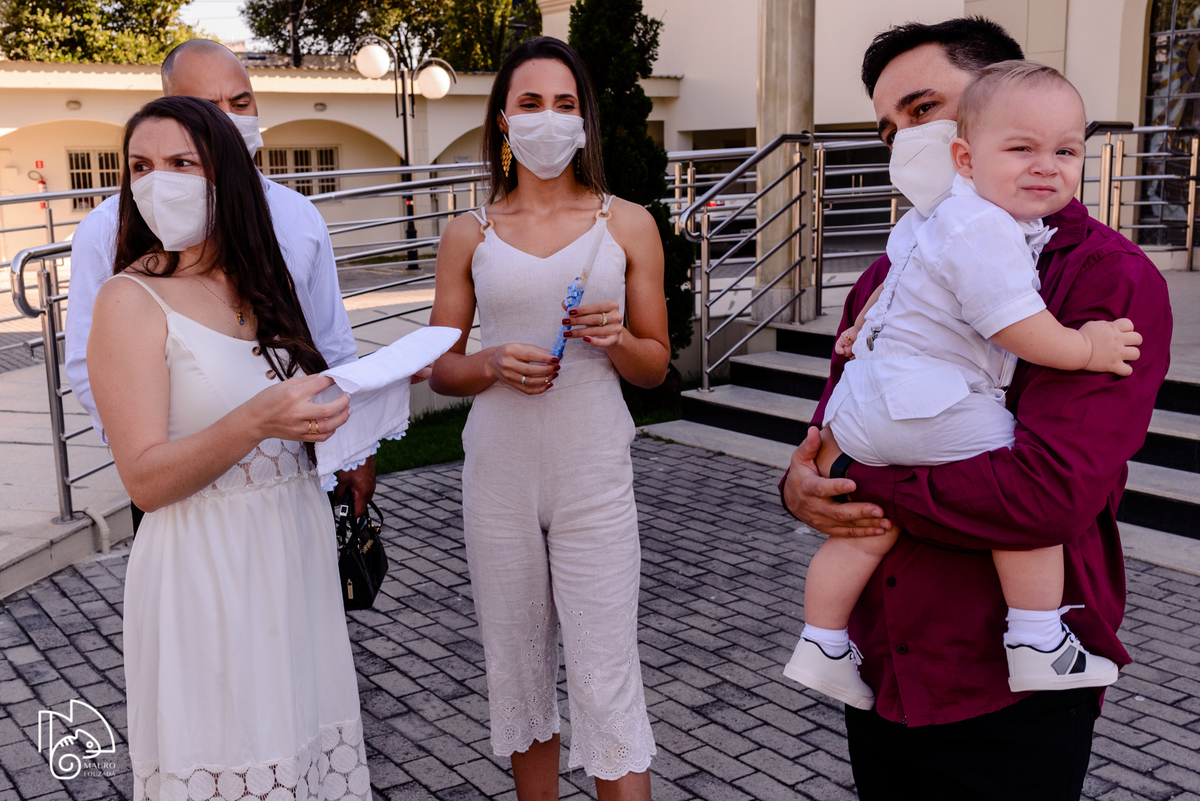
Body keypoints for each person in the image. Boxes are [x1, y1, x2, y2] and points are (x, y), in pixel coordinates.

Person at [779, 17, 1172, 800]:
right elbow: (830, 434)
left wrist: (859, 477)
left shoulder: (1107, 281)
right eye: (889, 128)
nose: (907, 140)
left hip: (1006, 687)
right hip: (882, 666)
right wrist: (798, 489)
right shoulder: (891, 273)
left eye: (923, 109)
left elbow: (1046, 495)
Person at [88, 96, 369, 801]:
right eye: (141, 167)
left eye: (182, 162)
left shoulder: (261, 280)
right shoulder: (128, 299)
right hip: (207, 570)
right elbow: (144, 481)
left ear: (228, 175)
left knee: (305, 757)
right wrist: (256, 421)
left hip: (292, 550)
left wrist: (348, 406)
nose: (158, 182)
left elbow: (289, 409)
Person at [428, 36, 667, 801]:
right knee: (518, 671)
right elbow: (440, 367)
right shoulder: (469, 231)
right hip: (498, 475)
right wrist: (492, 362)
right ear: (503, 119)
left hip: (593, 471)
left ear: (584, 119)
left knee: (605, 673)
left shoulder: (626, 224)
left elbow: (656, 365)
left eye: (564, 103)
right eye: (530, 102)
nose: (548, 117)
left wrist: (617, 338)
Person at [65, 39, 377, 522]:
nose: (229, 118)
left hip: (296, 480)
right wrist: (149, 448)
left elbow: (329, 338)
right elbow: (91, 364)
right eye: (209, 105)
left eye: (240, 101)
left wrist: (355, 446)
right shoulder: (108, 229)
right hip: (187, 494)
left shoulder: (296, 216)